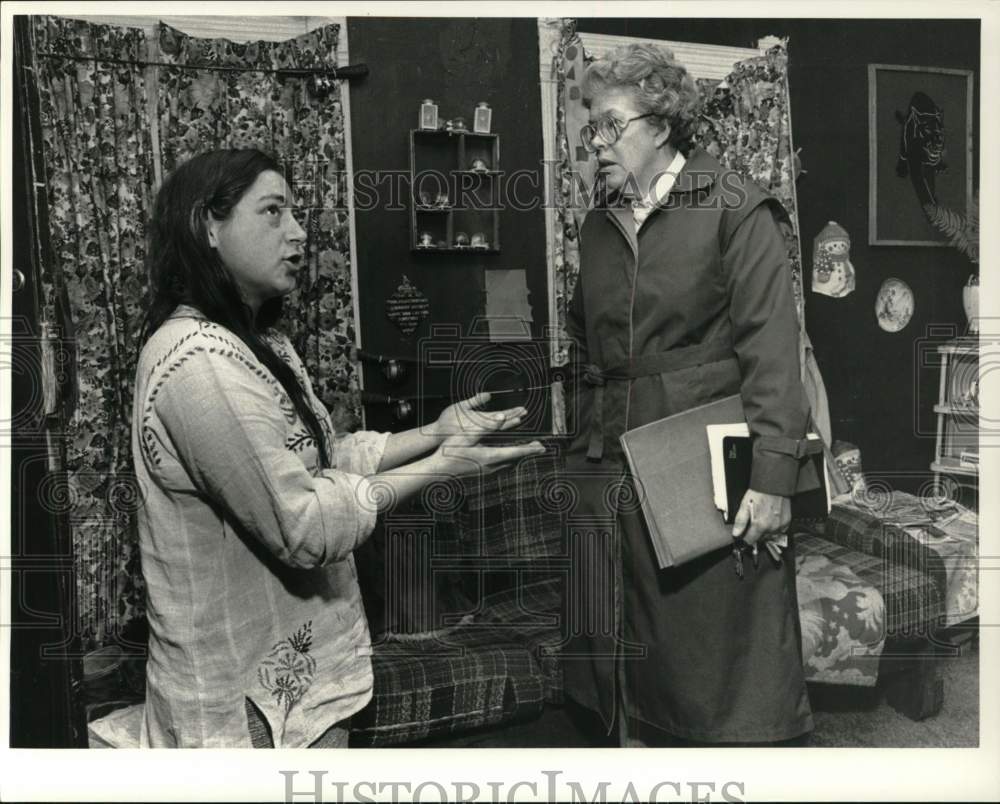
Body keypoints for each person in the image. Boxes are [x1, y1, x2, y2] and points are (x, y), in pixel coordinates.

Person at [131, 148, 543, 748]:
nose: (298, 233)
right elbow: (303, 523)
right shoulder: (199, 364)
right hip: (247, 718)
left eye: (296, 212)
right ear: (207, 227)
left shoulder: (254, 341)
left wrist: (435, 433)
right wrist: (441, 466)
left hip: (297, 696)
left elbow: (318, 462)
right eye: (273, 212)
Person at [562, 44, 816, 746]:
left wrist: (773, 480)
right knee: (620, 659)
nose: (598, 144)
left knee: (711, 671)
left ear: (662, 124)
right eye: (592, 129)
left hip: (702, 471)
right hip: (611, 467)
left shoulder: (738, 209)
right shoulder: (598, 225)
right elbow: (587, 338)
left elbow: (773, 355)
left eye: (610, 126)